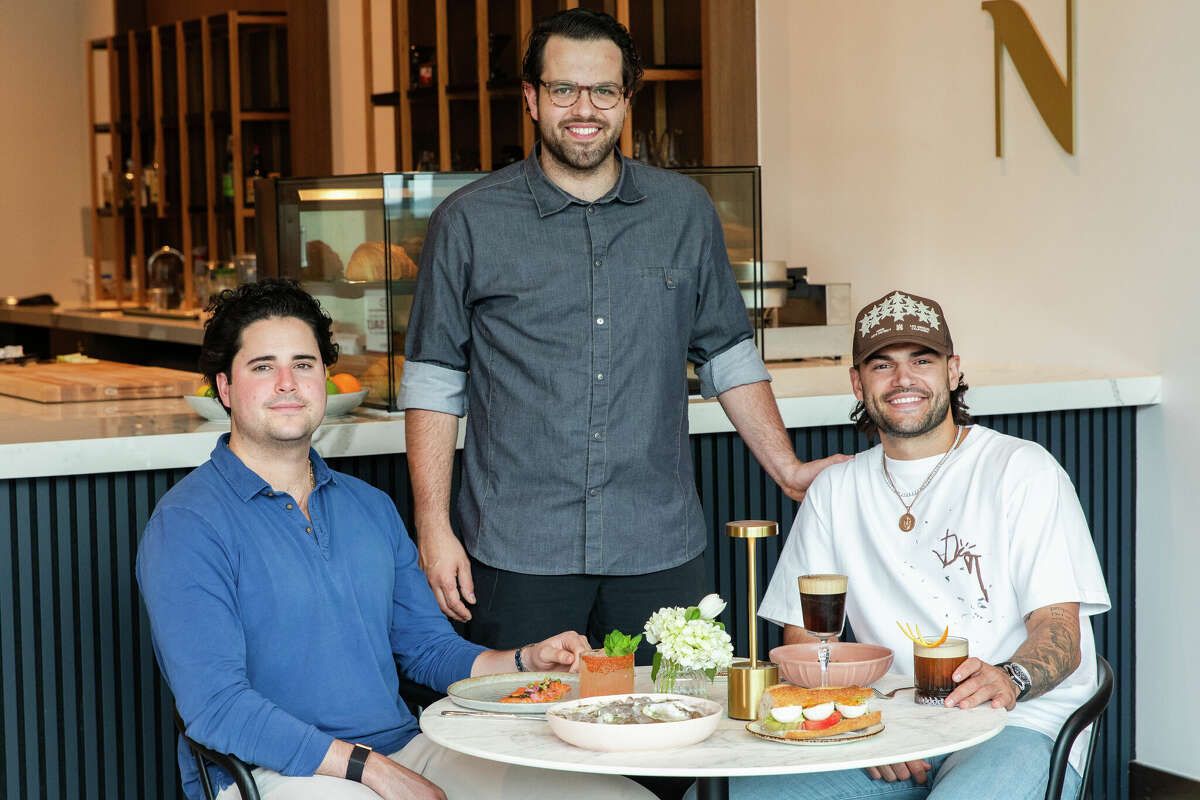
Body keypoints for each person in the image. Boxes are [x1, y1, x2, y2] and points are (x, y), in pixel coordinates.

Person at [399, 7, 846, 656]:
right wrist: (433, 527)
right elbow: (434, 383)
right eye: (563, 90)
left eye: (604, 90)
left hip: (659, 545)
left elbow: (728, 353)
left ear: (627, 99)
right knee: (526, 747)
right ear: (531, 98)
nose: (585, 108)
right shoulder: (466, 222)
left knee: (679, 741)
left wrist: (786, 468)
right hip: (517, 549)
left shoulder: (685, 212)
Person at [137, 280, 654, 800]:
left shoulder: (368, 507)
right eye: (263, 366)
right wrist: (370, 770)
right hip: (275, 773)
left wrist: (526, 660)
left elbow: (429, 651)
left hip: (405, 747)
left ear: (324, 378)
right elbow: (218, 708)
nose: (288, 383)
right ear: (225, 388)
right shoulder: (188, 524)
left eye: (304, 363)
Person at [727, 290, 1112, 800]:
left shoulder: (1021, 470)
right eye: (881, 364)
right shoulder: (836, 491)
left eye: (921, 361)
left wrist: (1010, 678)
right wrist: (865, 717)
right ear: (857, 383)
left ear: (953, 372)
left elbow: (1058, 628)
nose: (902, 379)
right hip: (889, 723)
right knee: (727, 795)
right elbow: (805, 638)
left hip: (1015, 719)